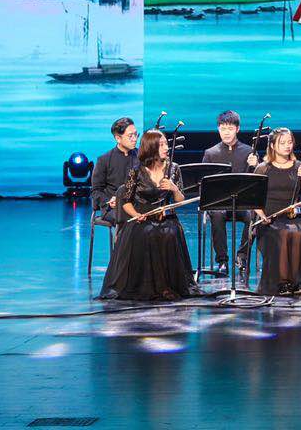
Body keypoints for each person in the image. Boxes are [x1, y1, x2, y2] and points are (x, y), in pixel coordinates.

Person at [99, 129, 195, 301]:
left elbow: (180, 200)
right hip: (141, 217)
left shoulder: (173, 168)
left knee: (170, 233)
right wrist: (136, 214)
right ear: (151, 148)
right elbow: (126, 201)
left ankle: (167, 285)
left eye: (166, 144)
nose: (166, 148)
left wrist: (174, 188)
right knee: (146, 233)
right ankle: (146, 285)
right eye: (161, 145)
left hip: (166, 217)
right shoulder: (136, 171)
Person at [252, 127, 301, 297]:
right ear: (273, 146)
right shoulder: (263, 168)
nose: (287, 146)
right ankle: (282, 282)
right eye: (282, 143)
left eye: (290, 142)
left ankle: (296, 281)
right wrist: (262, 216)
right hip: (270, 219)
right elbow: (253, 198)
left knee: (298, 232)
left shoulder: (299, 166)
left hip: (293, 216)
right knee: (283, 232)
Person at [201, 110, 256, 278]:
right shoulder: (211, 153)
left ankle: (242, 257)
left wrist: (256, 165)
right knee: (217, 214)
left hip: (243, 202)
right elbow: (204, 183)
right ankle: (222, 261)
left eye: (230, 128)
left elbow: (257, 181)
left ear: (237, 129)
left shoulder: (249, 152)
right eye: (223, 128)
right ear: (218, 129)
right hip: (220, 203)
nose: (226, 132)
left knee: (253, 216)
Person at [90, 116, 137, 225]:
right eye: (130, 136)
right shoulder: (104, 160)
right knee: (130, 219)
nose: (135, 139)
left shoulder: (141, 157)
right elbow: (96, 191)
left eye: (136, 134)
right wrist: (108, 201)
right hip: (113, 208)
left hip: (136, 204)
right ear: (118, 138)